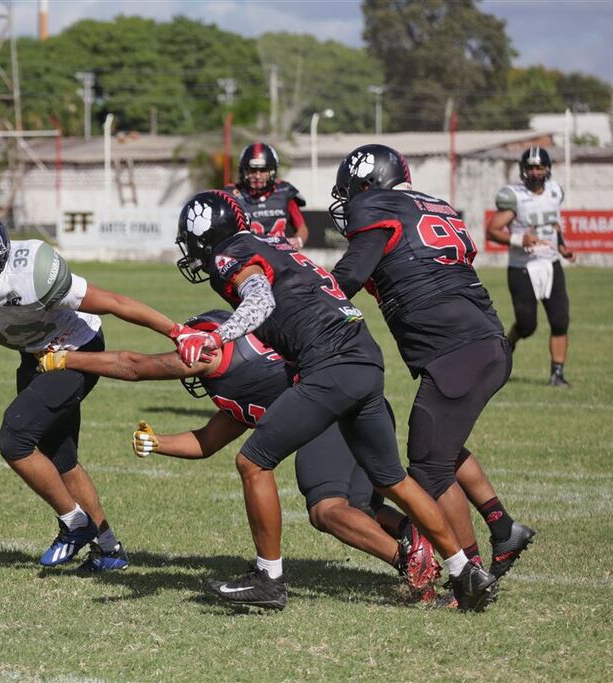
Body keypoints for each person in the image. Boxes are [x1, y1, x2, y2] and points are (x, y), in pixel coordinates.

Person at [172, 189, 496, 611]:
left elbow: (260, 299)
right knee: (392, 478)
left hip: (330, 364)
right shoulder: (272, 243)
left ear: (204, 235)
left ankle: (268, 578)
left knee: (252, 462)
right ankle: (465, 572)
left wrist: (217, 334)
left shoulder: (229, 254)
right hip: (364, 357)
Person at [36, 310, 442, 602]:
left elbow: (134, 365)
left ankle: (411, 562)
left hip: (334, 415)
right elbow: (207, 440)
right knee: (360, 509)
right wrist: (159, 442)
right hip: (359, 403)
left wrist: (64, 358)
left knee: (327, 510)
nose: (188, 358)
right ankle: (419, 539)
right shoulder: (247, 375)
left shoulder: (220, 356)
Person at [0, 211, 181, 573]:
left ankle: (74, 523)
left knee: (15, 438)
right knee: (60, 456)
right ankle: (108, 548)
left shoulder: (33, 275)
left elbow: (115, 303)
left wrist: (177, 332)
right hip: (33, 356)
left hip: (75, 350)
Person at [328, 143, 536, 581]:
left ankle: (471, 570)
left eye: (354, 192)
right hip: (485, 340)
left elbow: (350, 273)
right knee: (440, 445)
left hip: (454, 350)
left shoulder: (377, 207)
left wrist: (307, 302)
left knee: (427, 467)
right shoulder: (432, 206)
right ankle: (503, 527)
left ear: (371, 185)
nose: (350, 203)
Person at [485, 146, 575, 387]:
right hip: (522, 266)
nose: (535, 172)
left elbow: (553, 221)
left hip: (550, 263)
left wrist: (563, 246)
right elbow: (491, 230)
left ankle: (557, 374)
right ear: (523, 170)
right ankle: (509, 344)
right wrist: (519, 239)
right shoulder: (514, 196)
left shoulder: (555, 191)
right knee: (527, 325)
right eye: (531, 167)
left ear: (547, 169)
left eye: (539, 167)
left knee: (560, 321)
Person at [225, 142, 309, 250]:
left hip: (280, 254)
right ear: (244, 170)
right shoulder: (231, 194)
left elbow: (301, 228)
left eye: (263, 170)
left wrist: (298, 241)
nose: (258, 175)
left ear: (272, 171)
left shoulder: (284, 191)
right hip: (247, 256)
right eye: (252, 170)